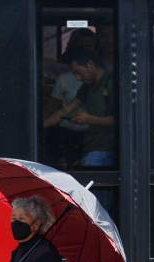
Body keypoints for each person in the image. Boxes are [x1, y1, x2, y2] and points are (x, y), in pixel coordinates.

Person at [44, 50, 116, 168]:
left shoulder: (111, 83)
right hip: (91, 146)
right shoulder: (87, 87)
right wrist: (43, 125)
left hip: (107, 149)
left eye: (78, 72)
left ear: (90, 65)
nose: (78, 78)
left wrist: (89, 119)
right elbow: (66, 110)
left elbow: (121, 120)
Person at [42, 28, 98, 167]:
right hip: (67, 134)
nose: (79, 78)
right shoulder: (64, 77)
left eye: (89, 46)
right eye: (81, 45)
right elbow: (56, 107)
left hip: (94, 136)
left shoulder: (101, 79)